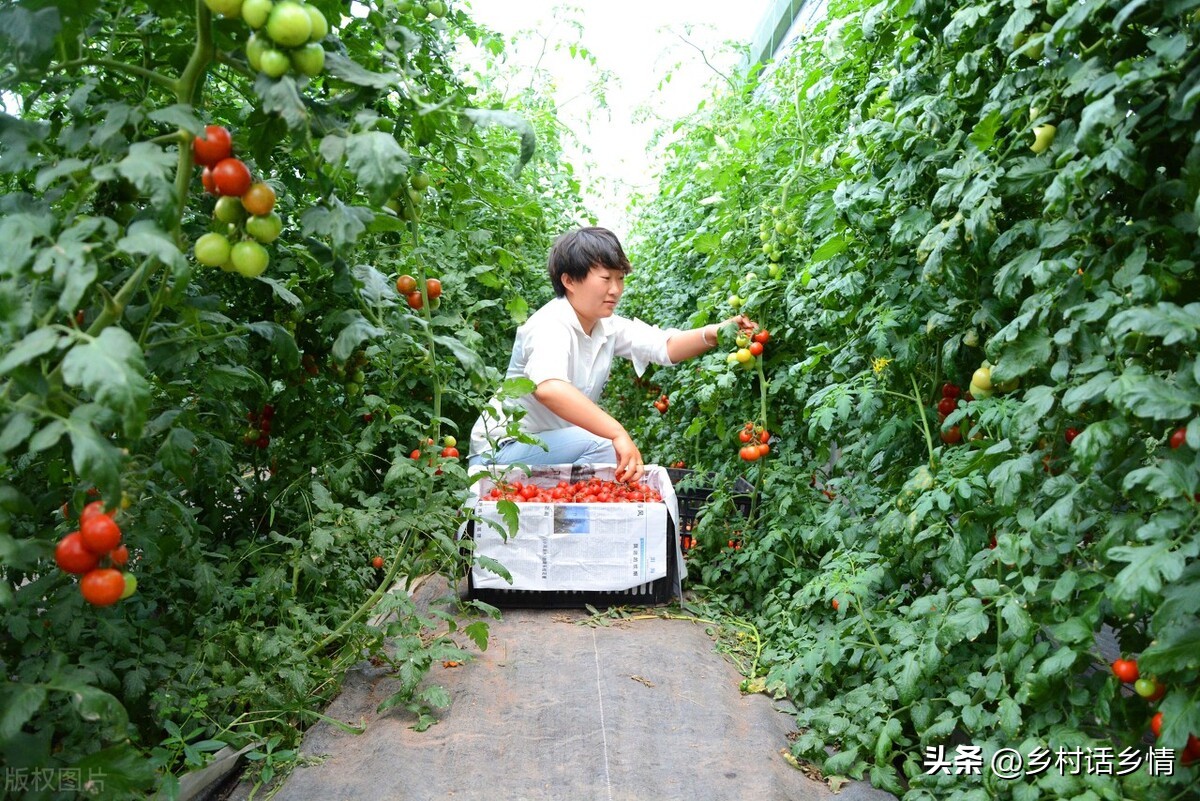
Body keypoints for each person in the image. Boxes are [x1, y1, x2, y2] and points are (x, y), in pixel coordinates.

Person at [467, 226, 756, 484]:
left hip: (546, 449)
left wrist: (718, 332)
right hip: (499, 453)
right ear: (569, 280)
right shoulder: (550, 324)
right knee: (602, 443)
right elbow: (549, 388)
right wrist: (617, 432)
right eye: (605, 278)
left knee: (599, 447)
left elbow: (665, 346)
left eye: (620, 278)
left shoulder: (606, 326)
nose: (615, 290)